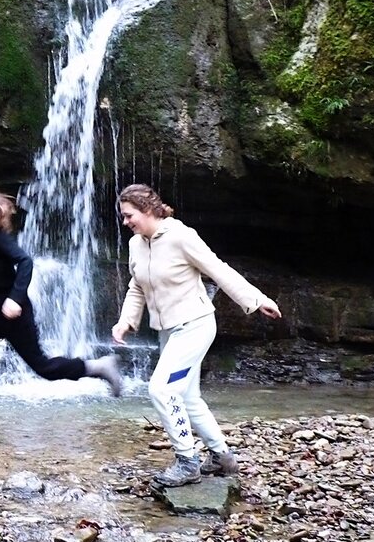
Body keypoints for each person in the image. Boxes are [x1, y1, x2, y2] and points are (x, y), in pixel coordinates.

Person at [110, 184, 282, 486]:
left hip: (194, 326)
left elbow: (218, 270)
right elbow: (136, 285)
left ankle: (187, 462)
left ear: (148, 210)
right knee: (188, 397)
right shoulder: (137, 244)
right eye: (124, 217)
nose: (125, 223)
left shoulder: (181, 236)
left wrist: (257, 300)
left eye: (129, 216)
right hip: (168, 331)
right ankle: (222, 457)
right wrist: (126, 321)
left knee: (162, 390)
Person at [0, 183, 124, 436]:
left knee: (43, 367)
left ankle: (98, 367)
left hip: (15, 313)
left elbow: (25, 261)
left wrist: (15, 298)